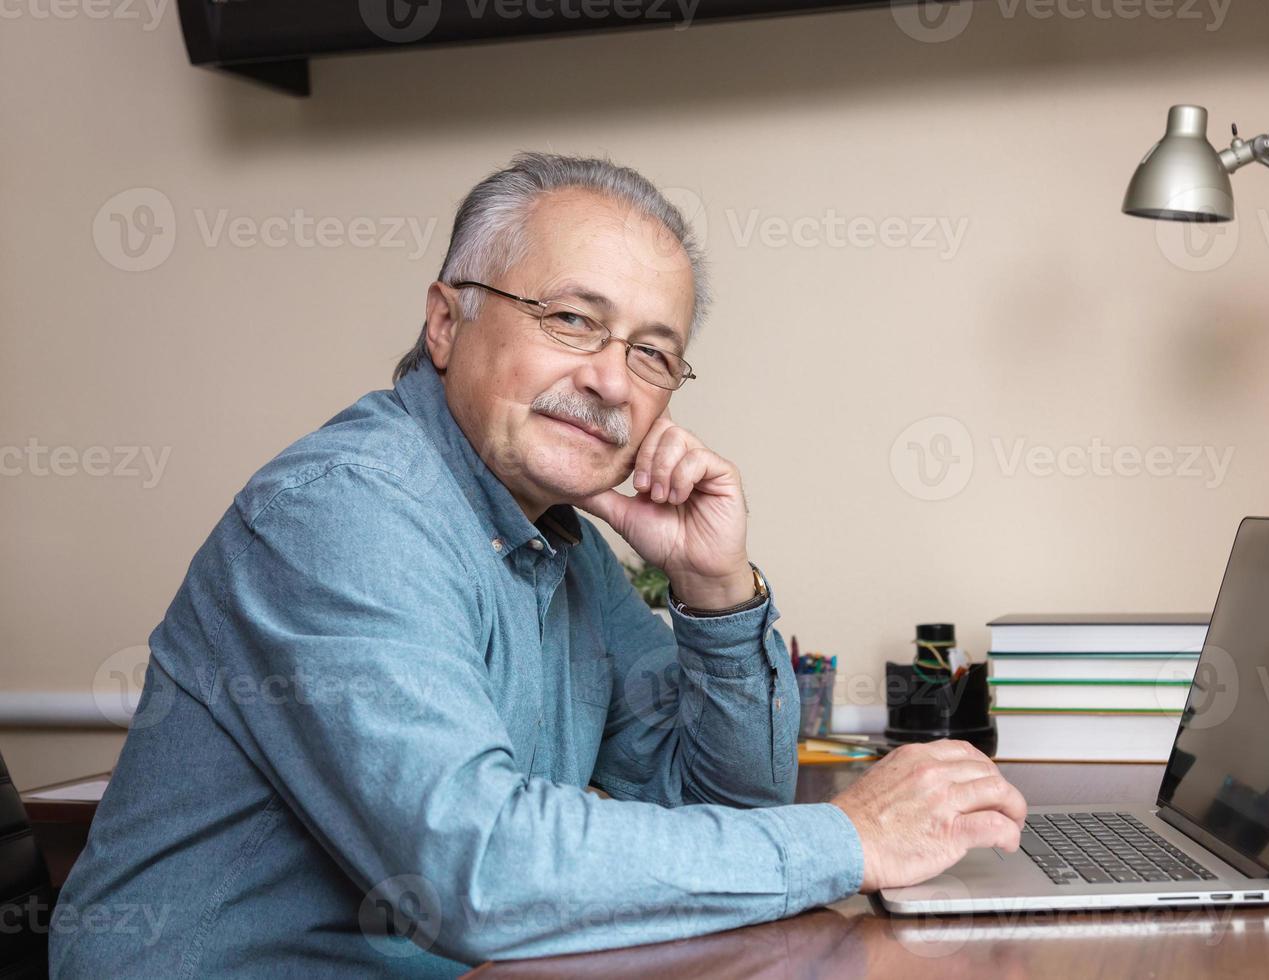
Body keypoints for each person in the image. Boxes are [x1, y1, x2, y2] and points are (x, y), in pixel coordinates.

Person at [51, 153, 1025, 976]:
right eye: (571, 319)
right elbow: (474, 869)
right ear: (446, 322)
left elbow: (724, 805)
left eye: (653, 352)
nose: (610, 377)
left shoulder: (563, 538)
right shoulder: (343, 512)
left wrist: (715, 588)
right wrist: (851, 838)